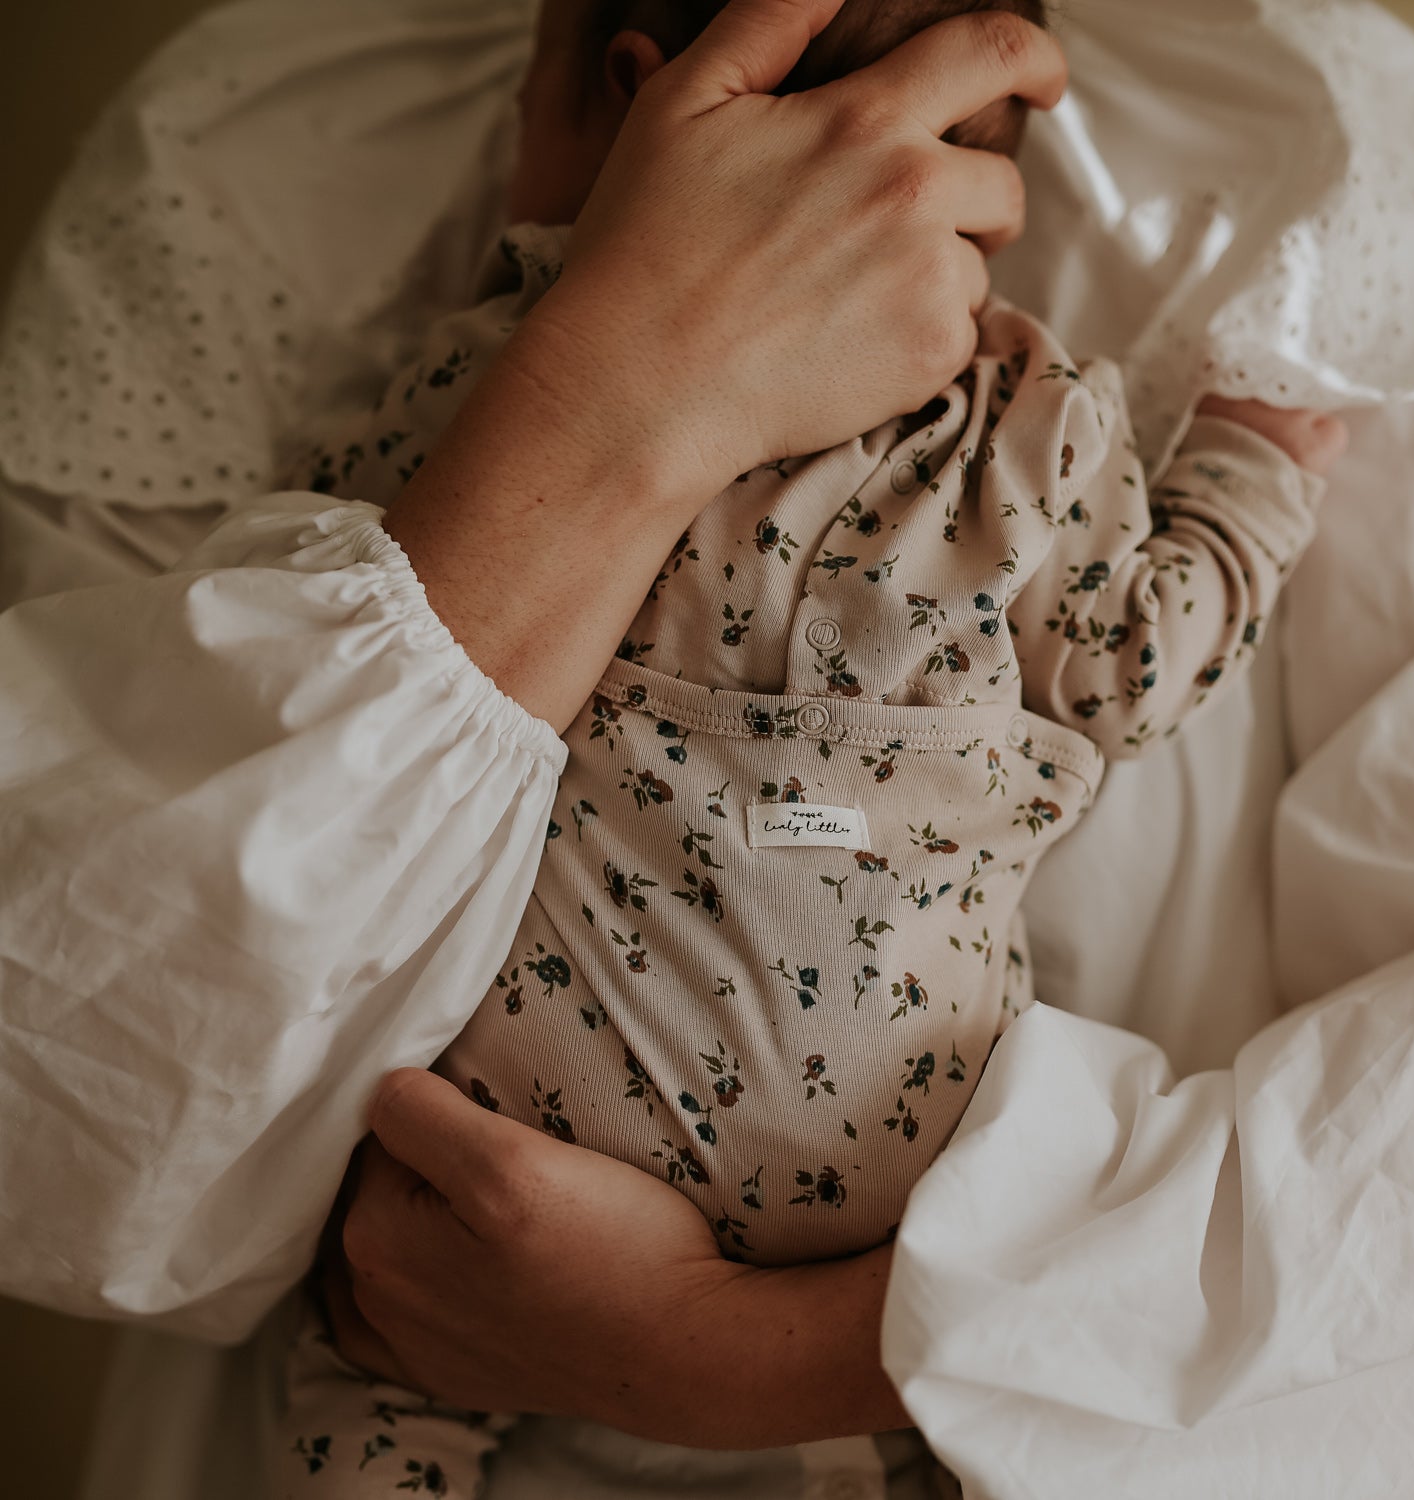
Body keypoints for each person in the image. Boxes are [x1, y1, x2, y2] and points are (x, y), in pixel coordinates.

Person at [262, 0, 1347, 1491]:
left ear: (636, 90)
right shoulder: (1018, 419)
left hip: (510, 1119)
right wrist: (1250, 477)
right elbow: (1132, 671)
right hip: (900, 1149)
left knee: (363, 1372)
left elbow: (349, 624)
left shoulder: (493, 382)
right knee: (988, 1393)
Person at [0, 0, 1067, 1447]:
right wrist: (629, 388)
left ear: (621, 87)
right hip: (1002, 1381)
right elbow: (65, 1120)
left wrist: (748, 1359)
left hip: (426, 1349)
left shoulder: (1321, 158)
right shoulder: (249, 126)